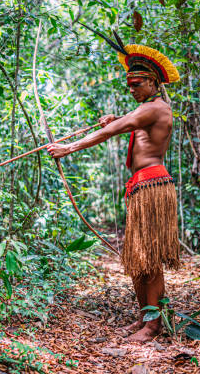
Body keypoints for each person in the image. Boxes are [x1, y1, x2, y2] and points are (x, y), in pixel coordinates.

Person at [46, 43, 181, 342]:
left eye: (137, 84)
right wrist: (117, 120)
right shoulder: (146, 108)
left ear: (153, 82)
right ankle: (144, 316)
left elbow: (113, 131)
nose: (131, 89)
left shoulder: (156, 108)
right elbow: (131, 126)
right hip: (141, 186)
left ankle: (154, 325)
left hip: (152, 185)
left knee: (150, 259)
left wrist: (69, 147)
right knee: (137, 260)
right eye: (129, 84)